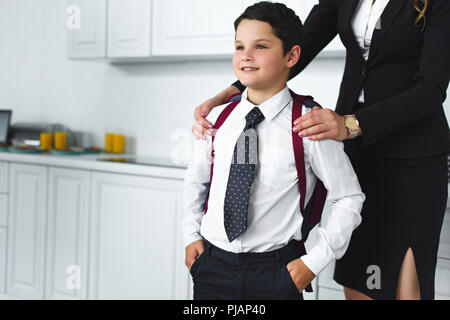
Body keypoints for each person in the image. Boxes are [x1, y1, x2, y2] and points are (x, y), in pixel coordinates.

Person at [193, 0, 450, 300]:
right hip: (357, 151)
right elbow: (301, 43)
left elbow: (431, 89)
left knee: (403, 288)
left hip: (411, 159)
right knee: (361, 280)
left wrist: (350, 124)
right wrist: (236, 90)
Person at [182, 1, 365, 300]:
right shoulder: (217, 119)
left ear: (291, 55)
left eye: (261, 46)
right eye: (239, 46)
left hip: (276, 273)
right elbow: (196, 182)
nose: (246, 56)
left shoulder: (310, 123)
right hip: (212, 267)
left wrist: (314, 261)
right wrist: (190, 237)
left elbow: (349, 196)